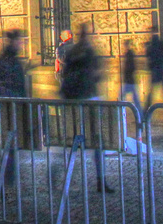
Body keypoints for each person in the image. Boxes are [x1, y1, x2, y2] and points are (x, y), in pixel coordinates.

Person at [59, 23, 108, 191]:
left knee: (74, 139)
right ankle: (101, 180)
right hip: (89, 98)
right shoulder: (89, 53)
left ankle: (62, 176)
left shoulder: (72, 52)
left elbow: (65, 74)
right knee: (96, 139)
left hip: (74, 100)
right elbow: (97, 74)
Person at [145, 26, 163, 120]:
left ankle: (145, 115)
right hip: (161, 71)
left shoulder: (153, 43)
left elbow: (151, 56)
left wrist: (147, 49)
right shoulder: (161, 42)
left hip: (156, 71)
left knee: (151, 95)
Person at [118, 40, 141, 111]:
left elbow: (130, 67)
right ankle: (140, 115)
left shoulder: (129, 54)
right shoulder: (129, 53)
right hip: (130, 80)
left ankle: (120, 113)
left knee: (121, 98)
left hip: (129, 81)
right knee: (135, 100)